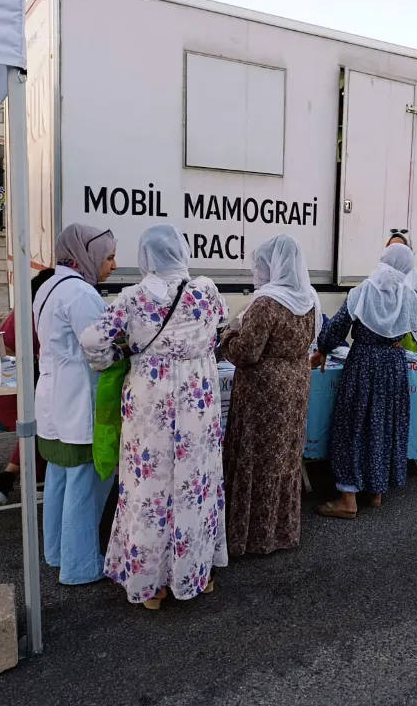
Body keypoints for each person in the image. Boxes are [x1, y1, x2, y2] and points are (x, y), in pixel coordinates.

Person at [80, 224, 228, 609]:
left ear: (146, 256)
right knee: (195, 484)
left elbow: (92, 340)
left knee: (148, 487)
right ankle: (195, 574)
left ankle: (152, 587)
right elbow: (221, 327)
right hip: (197, 400)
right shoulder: (207, 291)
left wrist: (116, 357)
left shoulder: (133, 298)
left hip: (150, 400)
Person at [312, 244, 417, 518]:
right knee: (383, 425)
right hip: (393, 366)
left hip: (363, 364)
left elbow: (336, 327)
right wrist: (406, 329)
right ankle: (375, 491)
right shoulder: (408, 295)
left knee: (353, 426)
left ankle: (348, 499)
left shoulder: (362, 291)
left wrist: (322, 349)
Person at [220, 234, 320, 556]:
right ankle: (281, 532)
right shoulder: (309, 299)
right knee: (285, 456)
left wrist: (227, 337)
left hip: (264, 393)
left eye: (260, 264)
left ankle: (250, 537)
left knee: (256, 457)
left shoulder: (266, 303)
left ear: (273, 265)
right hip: (296, 386)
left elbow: (246, 352)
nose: (257, 270)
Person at [34, 224, 117, 585]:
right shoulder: (81, 294)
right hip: (79, 398)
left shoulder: (49, 285)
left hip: (53, 397)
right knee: (84, 482)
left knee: (58, 477)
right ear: (87, 254)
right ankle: (80, 565)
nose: (113, 265)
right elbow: (100, 350)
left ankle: (57, 552)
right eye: (109, 257)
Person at [0, 268, 54, 505]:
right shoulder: (38, 317)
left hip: (6, 395)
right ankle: (14, 476)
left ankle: (17, 478)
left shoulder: (21, 312)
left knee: (44, 417)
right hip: (17, 397)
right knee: (45, 420)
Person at [385, 229, 417, 352]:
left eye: (401, 248)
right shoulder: (380, 275)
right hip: (385, 335)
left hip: (409, 334)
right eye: (392, 248)